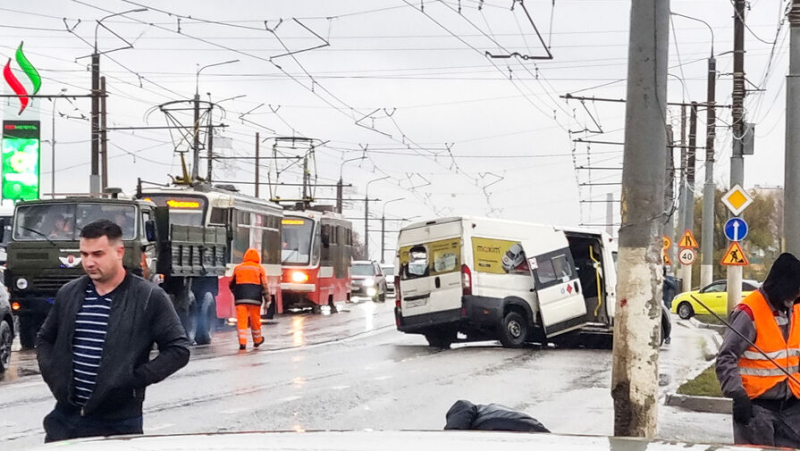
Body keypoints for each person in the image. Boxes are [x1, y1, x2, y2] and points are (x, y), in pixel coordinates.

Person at [36, 219, 190, 443]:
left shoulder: (148, 297)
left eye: (97, 254)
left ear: (119, 252)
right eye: (84, 254)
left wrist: (132, 379)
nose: (89, 262)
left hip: (118, 424)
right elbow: (44, 339)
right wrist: (55, 378)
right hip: (65, 420)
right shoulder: (69, 293)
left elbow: (178, 349)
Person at [716, 253, 800, 447]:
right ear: (782, 286)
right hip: (757, 410)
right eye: (795, 290)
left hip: (792, 410)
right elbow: (726, 358)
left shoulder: (795, 309)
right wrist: (737, 394)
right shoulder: (749, 313)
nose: (797, 295)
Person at [230, 248, 270, 351]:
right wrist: (267, 299)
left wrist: (237, 293)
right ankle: (257, 341)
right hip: (255, 300)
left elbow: (231, 284)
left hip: (240, 299)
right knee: (255, 320)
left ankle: (242, 343)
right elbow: (264, 286)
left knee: (241, 321)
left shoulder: (238, 268)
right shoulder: (260, 269)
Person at [444, 399, 550, 433]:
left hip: (493, 424)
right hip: (534, 429)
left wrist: (452, 435)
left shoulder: (464, 412)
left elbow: (463, 405)